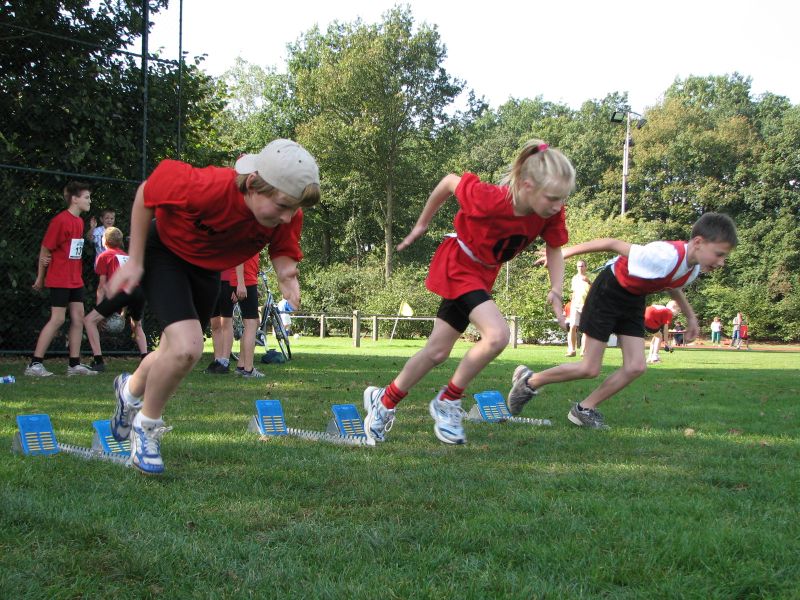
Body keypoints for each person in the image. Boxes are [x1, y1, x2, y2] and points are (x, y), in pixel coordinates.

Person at [105, 139, 320, 474]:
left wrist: (286, 274)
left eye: (294, 209)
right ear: (252, 184)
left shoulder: (284, 212)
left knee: (173, 351)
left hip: (207, 269)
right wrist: (133, 261)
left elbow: (282, 247)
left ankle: (129, 391)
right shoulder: (207, 186)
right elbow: (146, 192)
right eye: (282, 207)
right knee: (188, 347)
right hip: (166, 254)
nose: (288, 216)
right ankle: (146, 428)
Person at [362, 139, 575, 445]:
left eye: (562, 199)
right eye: (553, 198)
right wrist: (423, 223)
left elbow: (555, 247)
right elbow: (449, 181)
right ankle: (447, 400)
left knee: (437, 351)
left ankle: (383, 402)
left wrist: (556, 288)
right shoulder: (489, 198)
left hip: (482, 274)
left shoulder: (551, 213)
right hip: (458, 264)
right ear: (527, 186)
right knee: (498, 335)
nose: (558, 206)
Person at [506, 212, 738, 429]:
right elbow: (612, 244)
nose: (721, 263)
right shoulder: (664, 255)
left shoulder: (692, 269)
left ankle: (583, 409)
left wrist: (691, 318)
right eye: (719, 254)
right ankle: (530, 381)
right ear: (698, 242)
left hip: (633, 299)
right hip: (609, 290)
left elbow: (673, 285)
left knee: (636, 366)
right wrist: (562, 253)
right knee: (589, 368)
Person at [25, 181, 97, 377]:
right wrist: (41, 277)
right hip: (60, 278)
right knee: (57, 319)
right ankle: (35, 364)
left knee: (78, 318)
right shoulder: (60, 221)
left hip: (75, 278)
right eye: (86, 197)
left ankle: (74, 365)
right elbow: (45, 248)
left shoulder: (79, 222)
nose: (89, 201)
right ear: (74, 199)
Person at [83, 227, 148, 372]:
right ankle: (145, 360)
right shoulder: (126, 256)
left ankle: (98, 361)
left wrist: (99, 312)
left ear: (104, 240)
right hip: (139, 291)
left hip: (122, 292)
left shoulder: (104, 256)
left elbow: (102, 287)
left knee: (89, 320)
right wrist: (123, 312)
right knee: (137, 325)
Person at [204, 265, 237, 375]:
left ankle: (225, 361)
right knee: (215, 324)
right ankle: (217, 360)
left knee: (226, 323)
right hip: (212, 279)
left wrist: (236, 284)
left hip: (228, 282)